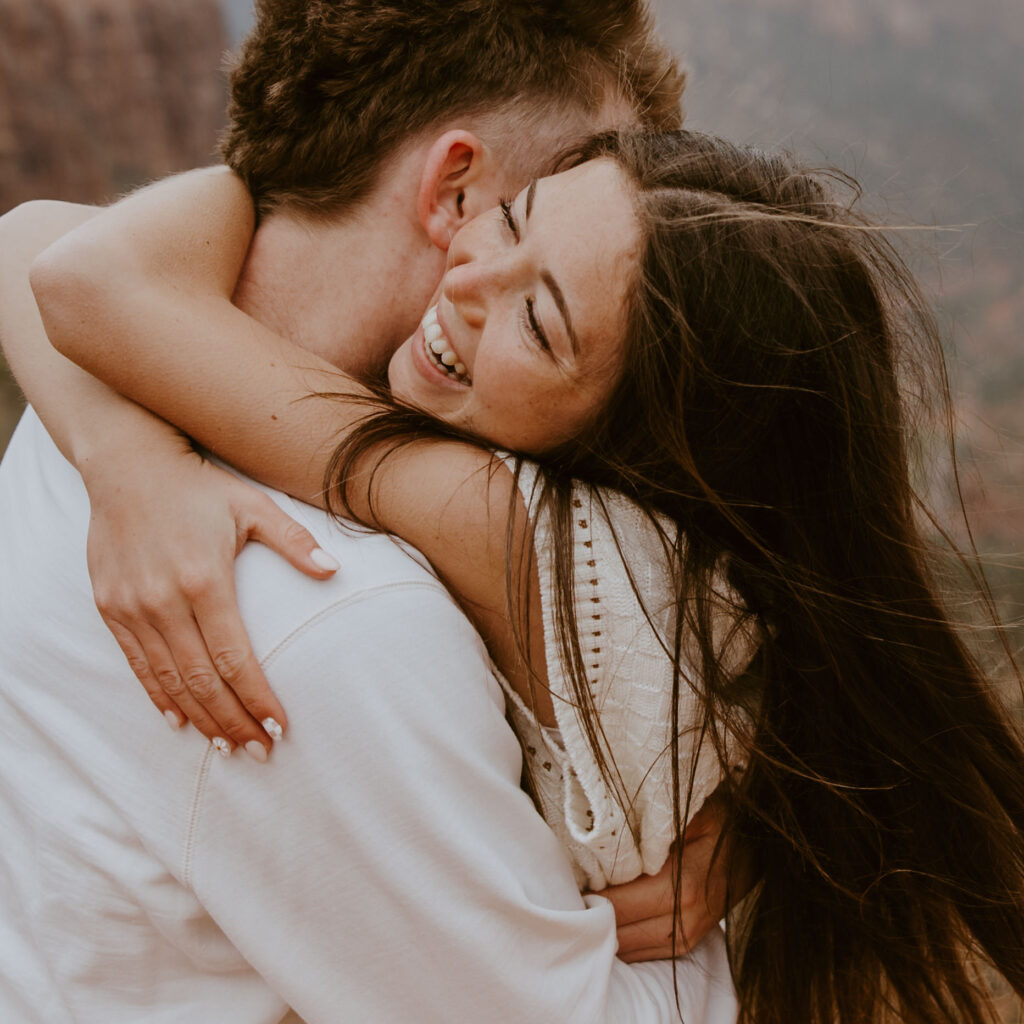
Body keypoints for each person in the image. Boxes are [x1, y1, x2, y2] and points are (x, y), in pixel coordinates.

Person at [26, 127, 1024, 1024]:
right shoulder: (709, 591)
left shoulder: (501, 525)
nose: (464, 283)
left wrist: (135, 460)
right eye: (508, 223)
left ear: (643, 448)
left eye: (538, 322)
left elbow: (72, 271)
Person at [0, 1, 744, 1020]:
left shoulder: (108, 384)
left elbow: (55, 249)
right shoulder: (337, 615)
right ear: (456, 186)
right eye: (545, 211)